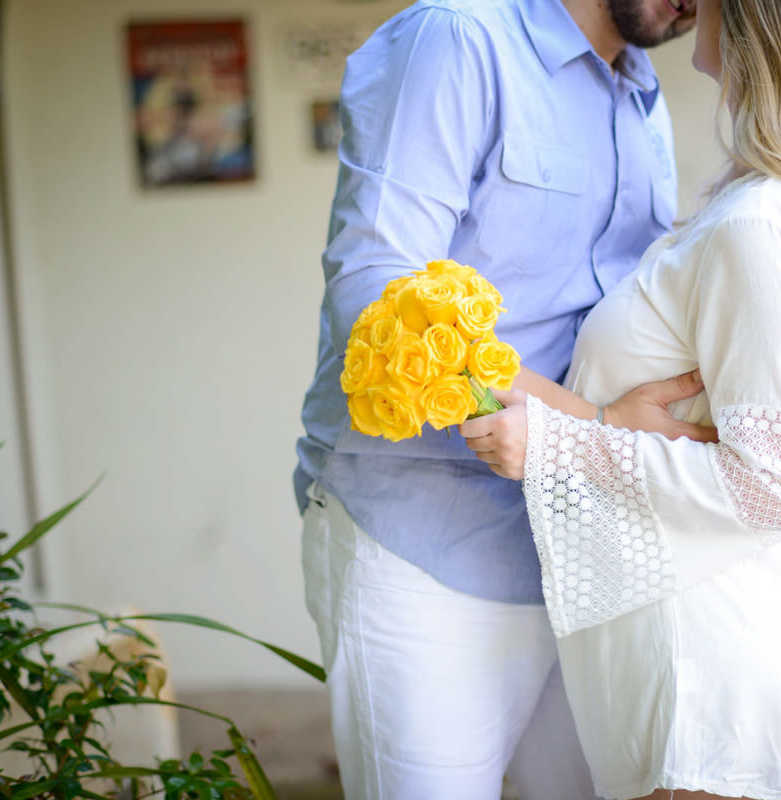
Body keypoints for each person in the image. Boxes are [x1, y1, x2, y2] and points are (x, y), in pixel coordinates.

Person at [461, 0, 781, 798]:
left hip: (714, 662)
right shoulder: (777, 207)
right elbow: (698, 433)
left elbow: (773, 485)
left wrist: (552, 448)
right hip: (719, 635)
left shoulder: (764, 225)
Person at [293, 0, 707, 797]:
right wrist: (596, 426)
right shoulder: (457, 38)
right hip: (424, 541)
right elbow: (380, 301)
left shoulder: (640, 86)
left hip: (580, 550)